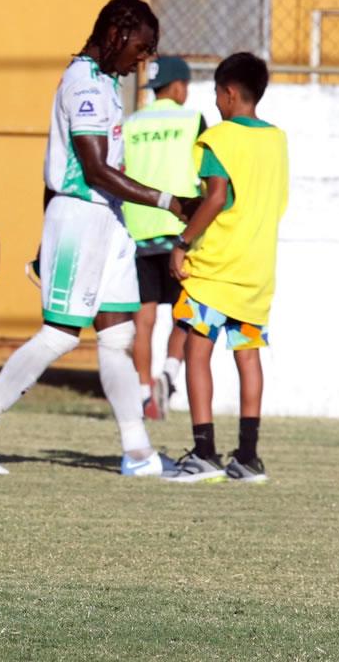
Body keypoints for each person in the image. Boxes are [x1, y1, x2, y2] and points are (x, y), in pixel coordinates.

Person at [0, 0, 185, 478]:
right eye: (141, 48)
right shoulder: (85, 85)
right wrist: (168, 202)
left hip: (108, 219)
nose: (143, 60)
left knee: (119, 334)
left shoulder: (106, 82)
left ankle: (137, 451)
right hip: (82, 217)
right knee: (59, 335)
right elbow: (94, 170)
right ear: (118, 34)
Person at [165, 53, 288, 483]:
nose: (215, 103)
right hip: (257, 271)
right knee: (248, 356)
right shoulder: (277, 140)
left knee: (197, 352)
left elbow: (216, 198)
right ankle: (248, 458)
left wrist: (182, 244)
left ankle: (203, 452)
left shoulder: (218, 139)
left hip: (215, 269)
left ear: (230, 93)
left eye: (217, 94)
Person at [122, 55, 204, 420]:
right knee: (185, 314)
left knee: (144, 320)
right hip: (179, 230)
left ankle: (144, 395)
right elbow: (207, 175)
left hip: (137, 230)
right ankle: (169, 376)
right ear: (180, 87)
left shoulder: (132, 123)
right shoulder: (192, 120)